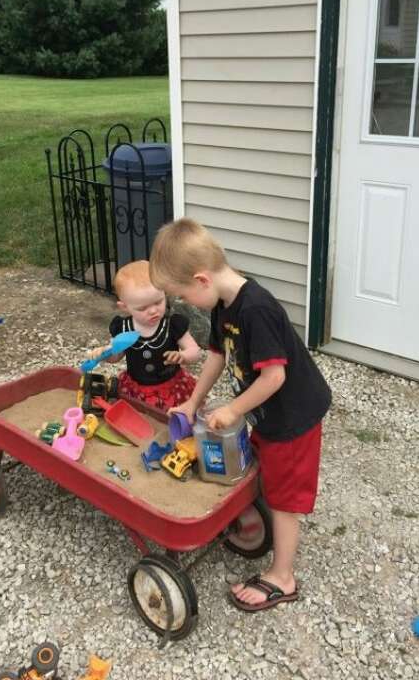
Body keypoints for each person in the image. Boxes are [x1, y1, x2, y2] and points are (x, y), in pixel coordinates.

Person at [149, 218, 331, 613]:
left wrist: (233, 408)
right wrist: (194, 402)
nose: (183, 304)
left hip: (291, 417)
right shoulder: (223, 304)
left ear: (200, 280)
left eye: (181, 295)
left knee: (284, 498)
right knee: (263, 471)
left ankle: (283, 577)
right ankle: (260, 520)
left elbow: (275, 376)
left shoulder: (257, 309)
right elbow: (217, 354)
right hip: (267, 414)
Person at [89, 260, 201, 412]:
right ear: (125, 307)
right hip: (137, 388)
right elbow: (116, 357)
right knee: (140, 419)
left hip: (171, 387)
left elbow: (195, 351)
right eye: (143, 308)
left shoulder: (172, 325)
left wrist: (184, 356)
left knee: (172, 420)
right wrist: (104, 354)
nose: (153, 311)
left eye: (158, 302)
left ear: (164, 294)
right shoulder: (123, 329)